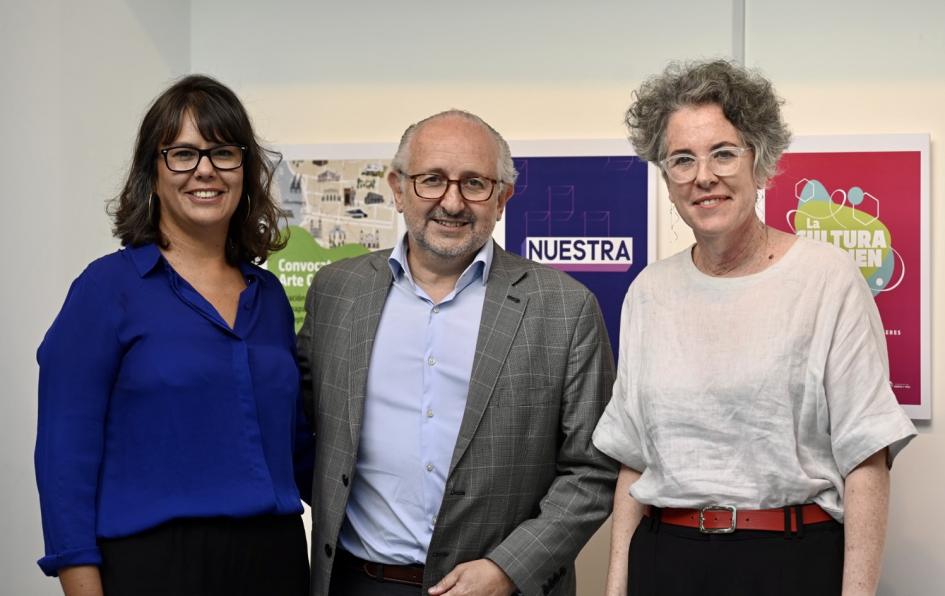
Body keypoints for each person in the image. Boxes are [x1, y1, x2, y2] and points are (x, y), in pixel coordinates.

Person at [592, 59, 917, 596]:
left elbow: (866, 457)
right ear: (666, 177)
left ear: (760, 162)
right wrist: (615, 588)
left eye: (723, 153)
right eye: (681, 160)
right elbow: (634, 463)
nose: (703, 176)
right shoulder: (649, 292)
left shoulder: (826, 280)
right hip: (665, 559)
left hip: (790, 562)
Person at [297, 109, 617, 596]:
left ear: (503, 198)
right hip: (358, 582)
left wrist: (509, 569)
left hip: (501, 588)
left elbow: (592, 469)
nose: (452, 201)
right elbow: (301, 428)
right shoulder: (336, 293)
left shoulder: (564, 308)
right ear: (398, 188)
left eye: (474, 183)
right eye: (432, 180)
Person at [35, 74, 313, 596]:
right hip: (152, 566)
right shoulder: (106, 290)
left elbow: (299, 449)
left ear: (244, 169)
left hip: (274, 560)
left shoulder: (269, 296)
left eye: (223, 152)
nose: (204, 170)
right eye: (182, 154)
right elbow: (63, 456)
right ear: (152, 172)